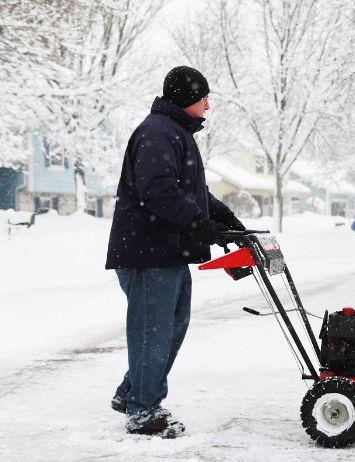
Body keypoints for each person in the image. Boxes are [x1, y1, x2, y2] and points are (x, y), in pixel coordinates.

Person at [105, 66, 245, 438]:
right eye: (204, 98)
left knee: (169, 328)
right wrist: (199, 223)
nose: (208, 106)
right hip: (149, 253)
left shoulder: (174, 132)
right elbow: (159, 191)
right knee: (155, 332)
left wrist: (223, 217)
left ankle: (132, 392)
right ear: (187, 98)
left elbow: (190, 190)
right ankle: (144, 410)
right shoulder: (157, 132)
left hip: (165, 253)